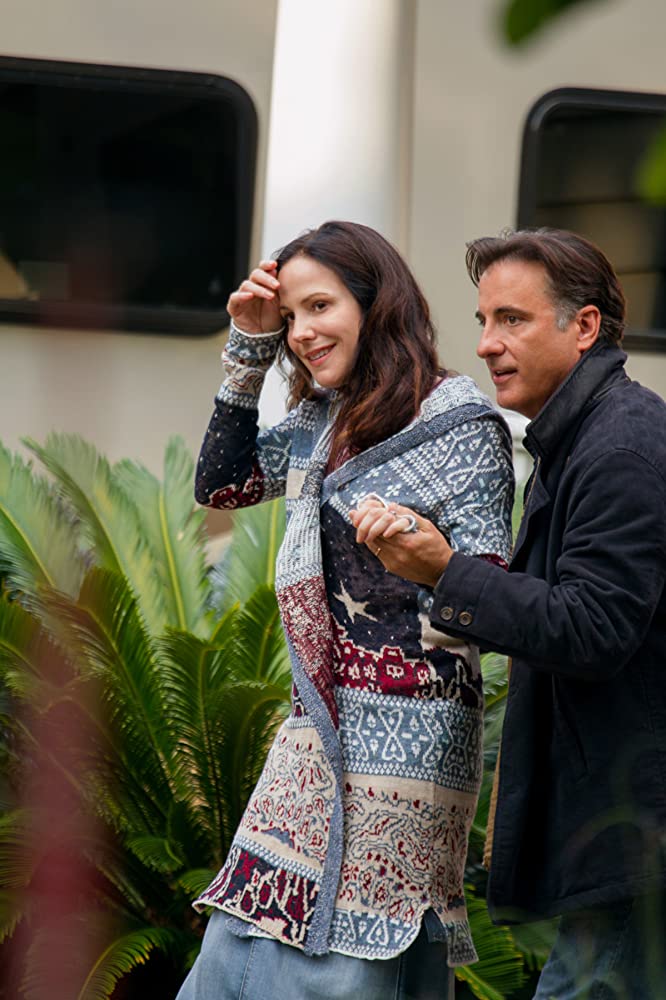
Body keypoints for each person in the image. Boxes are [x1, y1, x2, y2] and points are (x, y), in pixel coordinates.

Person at [177, 220, 514, 999]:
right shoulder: (321, 420)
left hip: (410, 745)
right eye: (291, 316)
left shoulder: (461, 425)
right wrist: (248, 346)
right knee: (250, 933)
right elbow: (221, 485)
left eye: (320, 306)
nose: (301, 332)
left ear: (375, 303)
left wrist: (427, 555)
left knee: (359, 958)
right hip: (314, 732)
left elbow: (492, 595)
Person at [351, 228, 666, 999]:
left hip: (636, 840)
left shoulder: (619, 448)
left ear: (584, 326)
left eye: (512, 320)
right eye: (484, 319)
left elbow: (591, 628)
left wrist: (443, 571)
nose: (487, 343)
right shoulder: (582, 437)